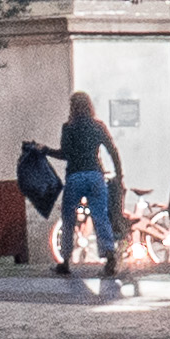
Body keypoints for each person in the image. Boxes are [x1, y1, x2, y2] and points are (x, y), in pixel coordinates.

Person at [52, 91, 125, 287]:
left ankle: (65, 261)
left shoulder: (68, 127)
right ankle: (109, 256)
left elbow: (64, 154)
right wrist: (119, 175)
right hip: (95, 176)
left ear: (72, 107)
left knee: (68, 219)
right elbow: (112, 150)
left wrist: (45, 150)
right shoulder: (98, 126)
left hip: (75, 176)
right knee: (100, 217)